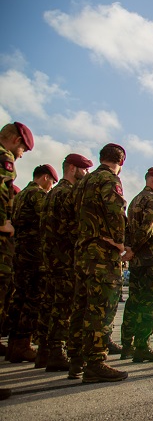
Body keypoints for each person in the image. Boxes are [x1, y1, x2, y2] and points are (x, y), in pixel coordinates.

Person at [72, 143, 132, 382]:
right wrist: (120, 242)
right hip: (102, 254)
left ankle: (75, 359)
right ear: (121, 162)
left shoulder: (84, 182)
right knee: (101, 308)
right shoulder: (109, 180)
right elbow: (116, 211)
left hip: (83, 250)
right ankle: (95, 363)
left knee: (81, 306)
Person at [40, 153, 93, 372]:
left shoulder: (52, 193)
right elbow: (74, 228)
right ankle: (56, 352)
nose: (87, 173)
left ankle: (45, 351)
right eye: (84, 169)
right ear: (72, 168)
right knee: (64, 308)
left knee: (51, 305)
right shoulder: (68, 194)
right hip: (67, 258)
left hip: (52, 258)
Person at [7, 164, 57, 365]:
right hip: (34, 255)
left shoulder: (20, 195)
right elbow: (49, 221)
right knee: (32, 301)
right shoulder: (37, 195)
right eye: (51, 182)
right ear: (45, 178)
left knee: (19, 299)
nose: (51, 187)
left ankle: (14, 345)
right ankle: (22, 345)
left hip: (20, 254)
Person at [119, 167, 153, 363]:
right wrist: (132, 248)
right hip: (149, 259)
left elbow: (128, 228)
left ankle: (127, 345)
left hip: (138, 262)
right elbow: (147, 229)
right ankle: (142, 346)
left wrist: (130, 247)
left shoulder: (135, 200)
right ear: (151, 180)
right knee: (149, 305)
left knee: (133, 302)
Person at [0, 121, 34, 399]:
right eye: (21, 146)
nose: (21, 153)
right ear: (12, 139)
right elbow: (2, 192)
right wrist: (4, 222)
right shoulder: (4, 157)